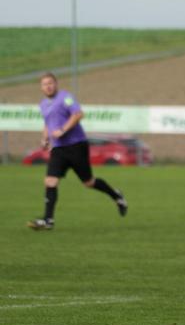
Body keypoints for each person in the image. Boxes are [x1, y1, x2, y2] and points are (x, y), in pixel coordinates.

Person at [28, 73, 128, 230]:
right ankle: (48, 220)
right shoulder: (43, 104)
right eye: (45, 84)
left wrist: (63, 129)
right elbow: (48, 123)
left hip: (76, 146)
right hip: (58, 149)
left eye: (50, 83)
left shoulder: (65, 97)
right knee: (50, 181)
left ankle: (116, 196)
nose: (48, 86)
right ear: (41, 87)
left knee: (89, 182)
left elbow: (78, 114)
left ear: (56, 84)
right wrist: (45, 139)